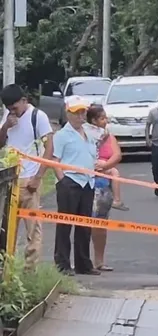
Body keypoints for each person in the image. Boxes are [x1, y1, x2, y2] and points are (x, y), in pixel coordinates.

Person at [0, 84, 54, 269]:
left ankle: (30, 269)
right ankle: (6, 268)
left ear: (24, 101)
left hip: (30, 179)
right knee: (7, 229)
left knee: (33, 229)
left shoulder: (37, 117)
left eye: (14, 108)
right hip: (10, 179)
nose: (12, 112)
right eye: (9, 109)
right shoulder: (7, 118)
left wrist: (38, 177)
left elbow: (49, 148)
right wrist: (6, 126)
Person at [52, 98, 103, 276]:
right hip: (71, 182)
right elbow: (55, 160)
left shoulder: (89, 133)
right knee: (65, 225)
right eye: (77, 113)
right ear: (68, 114)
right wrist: (62, 180)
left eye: (83, 112)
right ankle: (62, 264)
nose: (81, 116)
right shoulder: (62, 135)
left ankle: (83, 263)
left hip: (88, 182)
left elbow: (102, 140)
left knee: (84, 225)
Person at [86, 106, 122, 271]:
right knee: (84, 224)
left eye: (105, 118)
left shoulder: (110, 137)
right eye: (102, 118)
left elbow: (117, 155)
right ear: (93, 121)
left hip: (103, 186)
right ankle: (82, 259)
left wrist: (105, 166)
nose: (105, 121)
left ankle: (99, 261)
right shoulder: (85, 135)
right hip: (86, 183)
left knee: (101, 225)